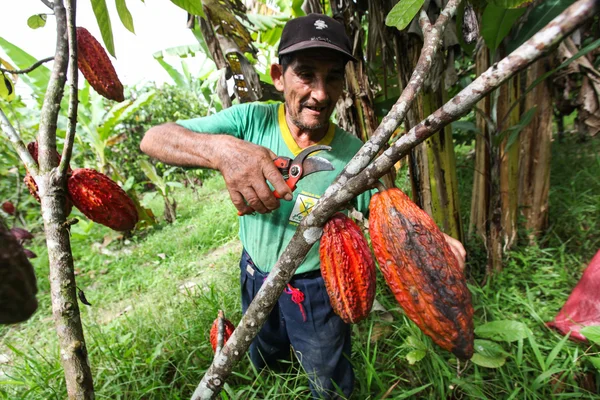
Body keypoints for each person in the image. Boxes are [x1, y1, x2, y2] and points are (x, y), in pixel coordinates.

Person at [141, 13, 466, 399]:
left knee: (326, 376)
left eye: (332, 77)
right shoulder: (250, 121)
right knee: (267, 362)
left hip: (317, 287)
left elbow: (386, 205)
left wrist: (433, 240)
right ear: (279, 75)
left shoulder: (351, 154)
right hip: (255, 274)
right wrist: (222, 150)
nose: (321, 93)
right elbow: (154, 139)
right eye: (306, 75)